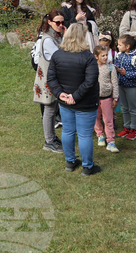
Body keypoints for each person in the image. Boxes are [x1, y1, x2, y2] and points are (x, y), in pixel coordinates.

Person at [46, 22, 101, 176]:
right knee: (84, 135)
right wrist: (72, 96)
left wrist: (60, 94)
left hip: (66, 102)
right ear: (82, 36)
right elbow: (90, 81)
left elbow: (51, 78)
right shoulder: (88, 57)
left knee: (68, 131)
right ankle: (87, 167)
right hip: (84, 103)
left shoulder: (58, 55)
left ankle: (70, 162)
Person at [33, 11, 66, 153]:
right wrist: (67, 37)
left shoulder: (55, 36)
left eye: (62, 22)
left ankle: (52, 137)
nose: (60, 25)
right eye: (57, 22)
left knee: (52, 109)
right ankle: (49, 141)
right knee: (49, 109)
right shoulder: (47, 40)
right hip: (48, 80)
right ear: (50, 23)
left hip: (52, 78)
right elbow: (62, 56)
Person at [114, 34, 136, 140]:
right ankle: (126, 127)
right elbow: (116, 64)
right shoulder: (119, 55)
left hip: (131, 87)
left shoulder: (135, 58)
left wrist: (126, 73)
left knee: (132, 109)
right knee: (124, 108)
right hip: (121, 85)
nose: (117, 46)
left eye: (119, 45)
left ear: (127, 46)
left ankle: (134, 130)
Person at [92, 45, 120, 153]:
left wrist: (115, 98)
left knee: (108, 119)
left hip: (107, 98)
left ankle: (111, 141)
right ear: (96, 57)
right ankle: (100, 135)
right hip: (94, 98)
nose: (105, 57)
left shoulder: (111, 67)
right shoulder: (92, 67)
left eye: (106, 55)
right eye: (102, 55)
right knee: (96, 117)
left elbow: (115, 83)